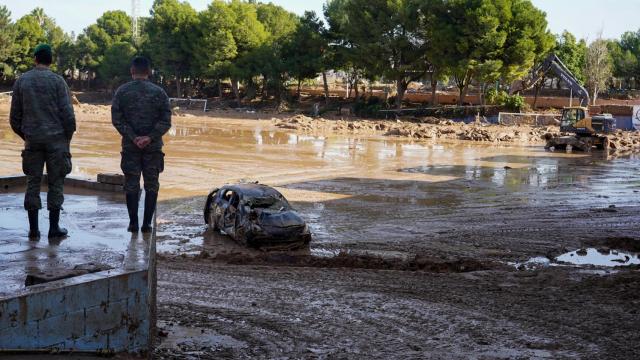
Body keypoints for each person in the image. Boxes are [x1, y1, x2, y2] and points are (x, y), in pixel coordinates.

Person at [9, 44, 76, 239]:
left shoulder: (22, 81)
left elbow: (14, 119)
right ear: (50, 61)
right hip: (57, 142)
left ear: (35, 59)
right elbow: (68, 116)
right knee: (56, 183)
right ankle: (54, 229)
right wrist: (66, 140)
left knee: (32, 183)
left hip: (33, 142)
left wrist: (27, 136)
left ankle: (33, 230)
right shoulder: (58, 82)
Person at [111, 56, 171, 233]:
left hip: (131, 147)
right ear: (149, 72)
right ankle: (147, 224)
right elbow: (166, 121)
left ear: (132, 71)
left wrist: (133, 137)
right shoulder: (159, 93)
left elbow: (117, 119)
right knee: (151, 184)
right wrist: (150, 138)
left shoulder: (122, 92)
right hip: (153, 149)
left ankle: (133, 223)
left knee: (131, 184)